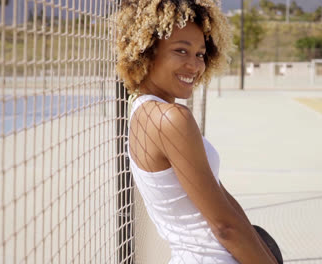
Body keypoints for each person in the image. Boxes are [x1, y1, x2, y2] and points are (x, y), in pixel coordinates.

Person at [117, 1, 280, 263]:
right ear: (147, 51)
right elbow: (224, 228)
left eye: (200, 54)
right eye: (181, 51)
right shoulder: (170, 119)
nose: (194, 66)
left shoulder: (144, 113)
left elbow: (223, 201)